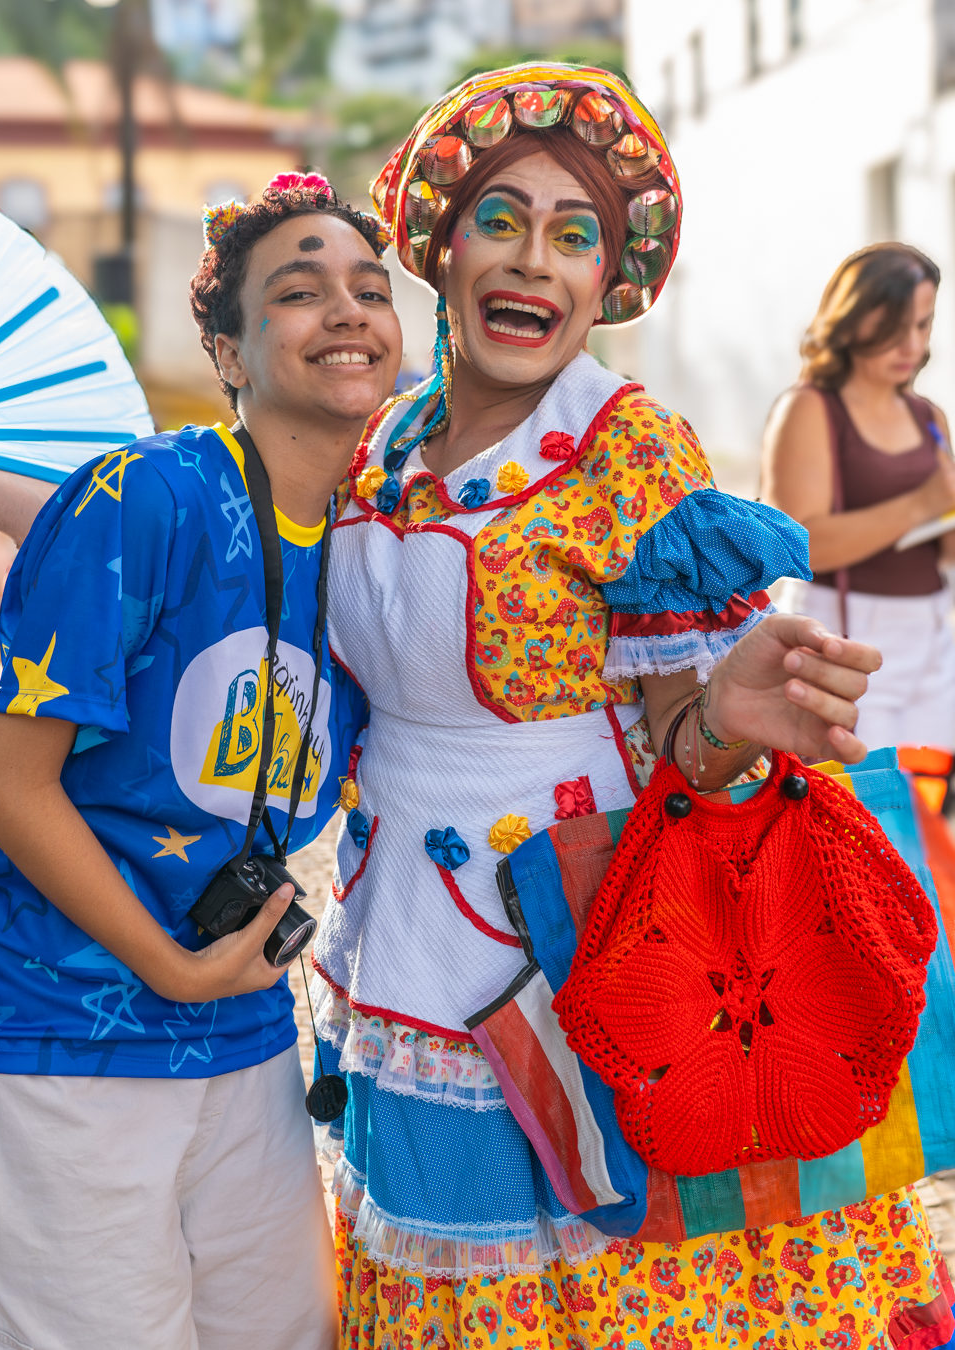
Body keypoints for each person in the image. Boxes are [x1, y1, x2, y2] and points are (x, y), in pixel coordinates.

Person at [307, 67, 954, 1348]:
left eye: (574, 234)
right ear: (440, 241)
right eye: (502, 218)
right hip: (403, 942)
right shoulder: (381, 440)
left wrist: (727, 717)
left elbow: (680, 744)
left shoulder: (631, 449)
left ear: (611, 279)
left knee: (625, 1278)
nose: (533, 262)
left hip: (591, 934)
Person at [0, 174, 401, 1350]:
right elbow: (4, 782)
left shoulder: (384, 535)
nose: (349, 311)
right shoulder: (151, 489)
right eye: (302, 292)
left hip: (245, 1024)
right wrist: (170, 965)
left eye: (372, 289)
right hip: (60, 1022)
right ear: (225, 343)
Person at [763, 243, 955, 754]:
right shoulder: (808, 409)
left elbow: (945, 548)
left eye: (923, 324)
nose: (911, 344)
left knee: (927, 812)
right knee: (859, 810)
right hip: (846, 638)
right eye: (895, 326)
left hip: (933, 637)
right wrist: (922, 503)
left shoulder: (929, 417)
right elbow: (798, 543)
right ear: (851, 316)